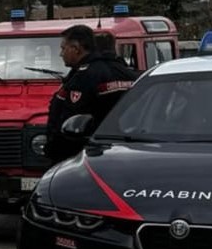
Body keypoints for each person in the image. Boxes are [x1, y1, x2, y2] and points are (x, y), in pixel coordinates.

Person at [43, 24, 140, 164]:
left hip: (85, 155)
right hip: (125, 149)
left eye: (63, 48)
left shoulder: (85, 77)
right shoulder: (127, 73)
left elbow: (71, 119)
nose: (61, 54)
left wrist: (54, 151)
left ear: (76, 49)